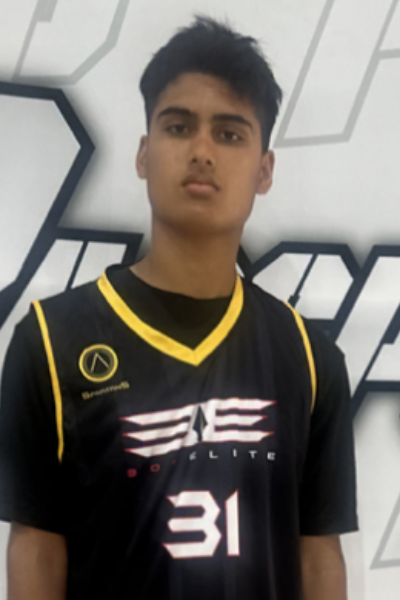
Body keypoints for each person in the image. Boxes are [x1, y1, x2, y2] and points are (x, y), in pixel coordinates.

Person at [0, 14, 357, 600]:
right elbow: (37, 549)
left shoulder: (311, 359)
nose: (202, 151)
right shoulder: (49, 342)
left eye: (230, 133)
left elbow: (318, 557)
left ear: (265, 170)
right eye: (178, 126)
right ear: (144, 154)